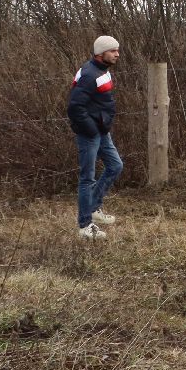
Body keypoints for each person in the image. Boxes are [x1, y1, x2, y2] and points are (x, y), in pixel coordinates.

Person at [67, 35, 124, 239]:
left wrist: (101, 126)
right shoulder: (89, 75)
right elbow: (75, 107)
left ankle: (93, 208)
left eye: (117, 50)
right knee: (87, 178)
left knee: (115, 165)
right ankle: (85, 226)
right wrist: (91, 129)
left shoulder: (102, 70)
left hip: (100, 130)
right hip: (90, 133)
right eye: (113, 51)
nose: (117, 54)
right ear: (101, 53)